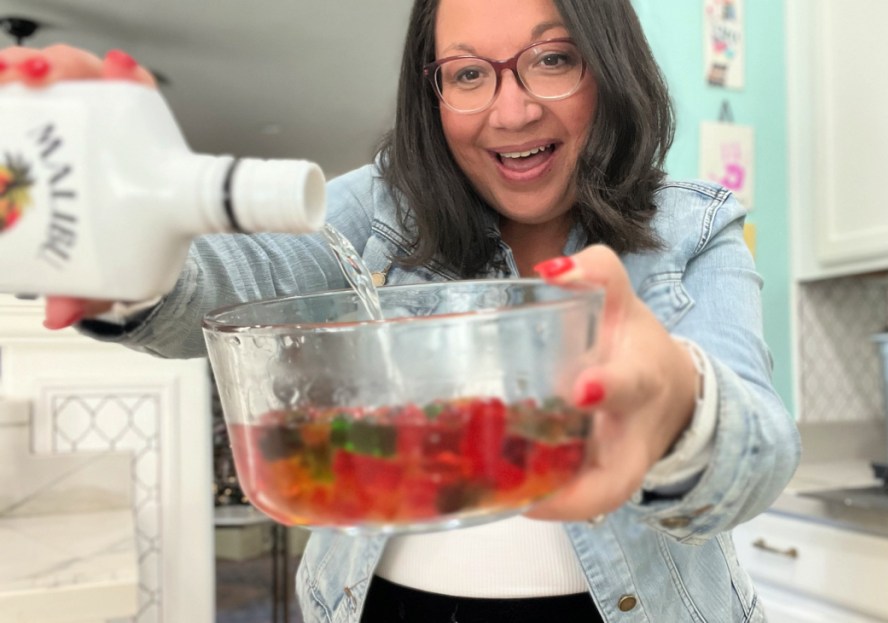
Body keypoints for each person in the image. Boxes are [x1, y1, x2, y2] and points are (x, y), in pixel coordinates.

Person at [0, 0, 801, 621]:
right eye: (467, 74)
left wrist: (675, 403)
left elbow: (758, 451)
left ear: (611, 67)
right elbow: (223, 283)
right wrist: (119, 251)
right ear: (435, 90)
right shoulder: (377, 213)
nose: (511, 111)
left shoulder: (692, 227)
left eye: (552, 60)